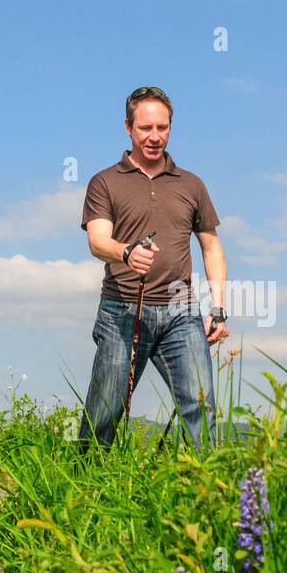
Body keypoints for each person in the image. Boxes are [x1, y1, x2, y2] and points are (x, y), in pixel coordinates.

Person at [78, 85, 228, 450]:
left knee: (200, 404)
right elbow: (98, 241)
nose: (154, 136)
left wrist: (218, 309)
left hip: (182, 310)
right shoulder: (105, 181)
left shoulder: (191, 184)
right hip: (122, 308)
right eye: (146, 128)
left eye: (162, 127)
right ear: (128, 128)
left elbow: (212, 248)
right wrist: (126, 253)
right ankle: (81, 490)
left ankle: (208, 493)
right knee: (104, 412)